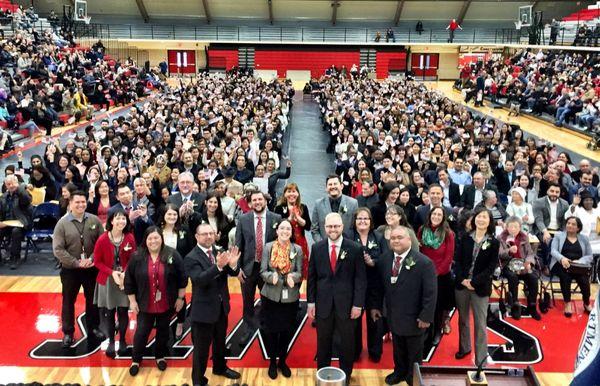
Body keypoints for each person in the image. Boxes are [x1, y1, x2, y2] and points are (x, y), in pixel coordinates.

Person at [370, 226, 437, 386]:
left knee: (414, 352)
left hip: (415, 318)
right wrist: (375, 307)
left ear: (409, 239)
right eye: (393, 238)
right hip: (393, 315)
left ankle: (412, 377)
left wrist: (426, 316)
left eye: (400, 237)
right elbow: (378, 286)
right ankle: (399, 371)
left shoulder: (424, 263)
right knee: (398, 348)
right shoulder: (385, 259)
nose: (396, 240)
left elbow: (430, 293)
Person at [307, 212, 366, 382]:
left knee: (347, 342)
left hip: (347, 305)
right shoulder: (317, 248)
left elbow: (360, 279)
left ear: (343, 227)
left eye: (336, 226)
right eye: (330, 226)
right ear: (325, 228)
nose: (333, 229)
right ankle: (323, 376)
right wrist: (311, 302)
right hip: (323, 304)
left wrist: (358, 304)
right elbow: (312, 277)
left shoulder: (354, 248)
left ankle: (345, 376)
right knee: (323, 342)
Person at [124, 226, 187, 376]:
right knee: (141, 332)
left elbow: (182, 278)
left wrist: (180, 298)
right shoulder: (137, 257)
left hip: (167, 303)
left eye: (156, 238)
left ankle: (159, 356)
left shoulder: (172, 254)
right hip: (145, 303)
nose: (153, 241)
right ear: (145, 240)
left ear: (162, 239)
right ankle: (136, 359)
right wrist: (132, 302)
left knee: (163, 331)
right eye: (150, 238)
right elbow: (128, 281)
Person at [185, 223, 241, 386]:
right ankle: (198, 380)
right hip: (203, 312)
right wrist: (218, 266)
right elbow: (199, 280)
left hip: (221, 307)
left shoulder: (218, 250)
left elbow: (231, 272)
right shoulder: (191, 257)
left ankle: (220, 367)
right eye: (204, 234)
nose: (209, 236)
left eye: (211, 233)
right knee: (201, 350)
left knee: (220, 342)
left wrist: (233, 265)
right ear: (197, 237)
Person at [52, 190, 106, 348]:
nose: (81, 205)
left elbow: (101, 244)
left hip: (91, 268)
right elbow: (58, 250)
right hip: (70, 270)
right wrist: (76, 263)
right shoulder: (62, 224)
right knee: (68, 301)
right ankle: (68, 333)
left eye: (83, 202)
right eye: (77, 202)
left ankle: (94, 328)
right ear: (70, 204)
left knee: (93, 301)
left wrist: (92, 260)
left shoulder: (94, 220)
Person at [454, 207, 499, 366]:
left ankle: (481, 359)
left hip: (480, 288)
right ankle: (465, 347)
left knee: (480, 323)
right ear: (474, 220)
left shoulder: (494, 242)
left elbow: (491, 268)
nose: (481, 219)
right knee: (463, 320)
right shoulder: (465, 237)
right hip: (462, 286)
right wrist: (463, 280)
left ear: (489, 221)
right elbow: (457, 261)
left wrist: (474, 282)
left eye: (484, 217)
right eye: (478, 217)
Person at [259, 219, 304, 379]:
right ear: (277, 231)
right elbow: (263, 271)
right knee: (271, 331)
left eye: (288, 229)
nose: (285, 231)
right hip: (270, 296)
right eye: (282, 228)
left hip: (290, 298)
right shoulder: (268, 247)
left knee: (286, 331)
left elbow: (300, 273)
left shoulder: (297, 249)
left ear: (291, 233)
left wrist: (294, 277)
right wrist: (272, 277)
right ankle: (272, 361)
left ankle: (282, 361)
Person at [235, 191, 282, 344]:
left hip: (268, 268)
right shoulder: (243, 219)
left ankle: (266, 327)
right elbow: (238, 244)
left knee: (268, 300)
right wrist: (237, 268)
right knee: (247, 300)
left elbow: (280, 244)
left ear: (265, 201)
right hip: (249, 267)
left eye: (260, 199)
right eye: (254, 200)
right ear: (250, 203)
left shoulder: (276, 218)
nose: (257, 202)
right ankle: (248, 328)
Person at [93, 209, 137, 357]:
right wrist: (112, 272)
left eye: (124, 219)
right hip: (108, 280)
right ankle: (112, 341)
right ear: (111, 221)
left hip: (125, 279)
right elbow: (97, 262)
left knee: (123, 311)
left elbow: (133, 259)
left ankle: (123, 340)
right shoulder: (103, 239)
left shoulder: (130, 237)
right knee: (110, 313)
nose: (121, 222)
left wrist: (125, 272)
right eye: (118, 219)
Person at [346, 207, 387, 362]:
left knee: (375, 320)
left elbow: (384, 259)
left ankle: (375, 352)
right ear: (354, 221)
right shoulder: (348, 236)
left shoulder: (379, 237)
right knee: (354, 320)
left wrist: (373, 262)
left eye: (366, 219)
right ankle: (355, 352)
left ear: (371, 222)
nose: (362, 221)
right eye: (359, 219)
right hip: (354, 285)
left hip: (374, 286)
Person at [417, 207, 455, 346]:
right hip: (423, 274)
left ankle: (437, 332)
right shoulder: (422, 230)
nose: (436, 216)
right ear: (430, 215)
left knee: (437, 306)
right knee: (424, 304)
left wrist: (436, 272)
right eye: (434, 214)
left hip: (440, 276)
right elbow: (419, 250)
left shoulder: (448, 233)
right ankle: (425, 331)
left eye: (440, 214)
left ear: (443, 217)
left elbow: (449, 257)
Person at [159, 203, 194, 340]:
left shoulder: (184, 230)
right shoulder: (157, 230)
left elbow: (191, 249)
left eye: (174, 214)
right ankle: (162, 321)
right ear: (164, 216)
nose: (172, 217)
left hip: (180, 271)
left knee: (180, 297)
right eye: (169, 214)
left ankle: (180, 322)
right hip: (161, 271)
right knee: (162, 296)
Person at [498, 216, 541, 320]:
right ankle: (515, 305)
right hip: (508, 264)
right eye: (511, 226)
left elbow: (530, 253)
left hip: (523, 263)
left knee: (533, 277)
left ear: (520, 227)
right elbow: (499, 254)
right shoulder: (501, 237)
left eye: (516, 227)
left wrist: (529, 262)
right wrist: (509, 251)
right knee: (513, 277)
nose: (513, 229)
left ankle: (532, 305)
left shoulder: (524, 237)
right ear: (506, 227)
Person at [550, 216, 594, 317]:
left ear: (578, 228)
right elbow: (553, 251)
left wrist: (580, 261)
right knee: (565, 276)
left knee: (584, 280)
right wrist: (562, 259)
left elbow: (589, 256)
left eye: (573, 224)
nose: (570, 225)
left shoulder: (584, 239)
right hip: (561, 263)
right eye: (568, 223)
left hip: (578, 265)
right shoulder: (558, 236)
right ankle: (567, 303)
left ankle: (586, 302)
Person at [273, 182, 311, 277]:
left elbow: (308, 226)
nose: (291, 194)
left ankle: (297, 289)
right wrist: (289, 219)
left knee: (300, 270)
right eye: (289, 191)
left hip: (301, 242)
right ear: (285, 194)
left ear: (298, 194)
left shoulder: (303, 207)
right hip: (285, 243)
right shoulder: (279, 208)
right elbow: (275, 226)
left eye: (294, 191)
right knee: (286, 269)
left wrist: (298, 218)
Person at [532, 182, 568, 274]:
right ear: (547, 191)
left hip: (558, 231)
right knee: (548, 241)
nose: (554, 194)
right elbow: (538, 220)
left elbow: (565, 222)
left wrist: (564, 233)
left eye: (557, 192)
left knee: (564, 242)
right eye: (552, 191)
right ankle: (547, 266)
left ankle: (559, 266)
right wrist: (545, 231)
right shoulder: (539, 202)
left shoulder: (564, 204)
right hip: (543, 230)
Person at [311, 174, 358, 242]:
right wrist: (322, 245)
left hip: (347, 247)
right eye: (330, 184)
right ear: (326, 188)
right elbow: (314, 229)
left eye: (335, 184)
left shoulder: (353, 203)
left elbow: (356, 228)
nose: (333, 186)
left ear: (341, 186)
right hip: (325, 249)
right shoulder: (318, 204)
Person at [0, 174, 32, 269]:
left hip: (22, 223)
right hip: (7, 223)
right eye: (8, 184)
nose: (11, 186)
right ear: (6, 186)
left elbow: (27, 200)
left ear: (17, 183)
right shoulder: (3, 197)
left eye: (13, 183)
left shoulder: (23, 194)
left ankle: (15, 257)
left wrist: (20, 188)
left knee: (15, 231)